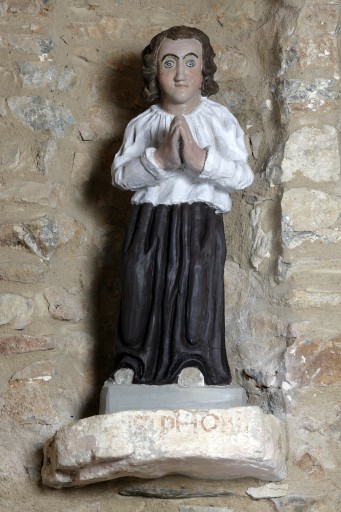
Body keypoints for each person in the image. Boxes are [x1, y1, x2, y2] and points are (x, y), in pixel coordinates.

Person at [111, 26, 254, 385]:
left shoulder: (219, 120)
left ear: (204, 71)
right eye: (169, 62)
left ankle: (194, 361)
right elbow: (121, 175)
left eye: (190, 62)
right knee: (139, 277)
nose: (179, 73)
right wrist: (159, 160)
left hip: (199, 218)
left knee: (196, 280)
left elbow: (242, 175)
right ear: (154, 72)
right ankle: (134, 361)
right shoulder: (142, 124)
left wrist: (200, 161)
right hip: (149, 219)